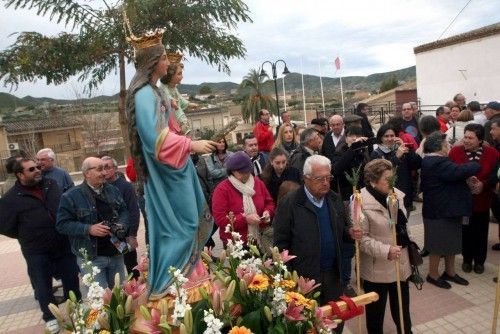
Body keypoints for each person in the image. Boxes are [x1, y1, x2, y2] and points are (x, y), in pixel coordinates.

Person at [124, 29, 216, 299]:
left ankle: (191, 273)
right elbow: (154, 139)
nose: (168, 63)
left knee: (190, 221)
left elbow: (169, 127)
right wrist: (191, 145)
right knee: (182, 224)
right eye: (164, 57)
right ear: (153, 61)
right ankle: (171, 282)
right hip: (167, 170)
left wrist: (184, 138)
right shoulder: (143, 94)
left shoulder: (155, 91)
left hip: (178, 167)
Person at [273, 155, 362, 323]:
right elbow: (280, 245)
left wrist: (350, 234)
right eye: (320, 178)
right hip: (304, 278)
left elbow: (341, 231)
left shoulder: (334, 199)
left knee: (335, 320)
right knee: (309, 323)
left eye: (329, 177)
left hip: (333, 275)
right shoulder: (290, 203)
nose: (326, 183)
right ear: (306, 178)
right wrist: (290, 279)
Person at [0, 158, 80, 334]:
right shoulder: (10, 199)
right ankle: (50, 318)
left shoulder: (51, 184)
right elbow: (5, 226)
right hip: (36, 251)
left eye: (37, 167)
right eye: (31, 169)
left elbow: (63, 208)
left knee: (71, 279)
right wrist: (28, 235)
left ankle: (77, 310)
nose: (37, 170)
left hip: (62, 244)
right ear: (20, 175)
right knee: (43, 286)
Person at [57, 157, 129, 290]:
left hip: (116, 253)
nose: (104, 173)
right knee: (99, 302)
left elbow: (124, 210)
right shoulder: (71, 196)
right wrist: (88, 229)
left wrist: (122, 224)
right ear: (87, 173)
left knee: (121, 298)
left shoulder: (113, 190)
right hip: (91, 258)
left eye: (105, 169)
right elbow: (62, 224)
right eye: (99, 169)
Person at [420, 132, 481, 289]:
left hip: (448, 209)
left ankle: (450, 272)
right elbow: (462, 170)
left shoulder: (437, 161)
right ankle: (433, 275)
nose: (449, 146)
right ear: (438, 147)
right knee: (436, 245)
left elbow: (453, 176)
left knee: (451, 243)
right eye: (446, 144)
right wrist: (476, 161)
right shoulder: (436, 162)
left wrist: (464, 178)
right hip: (438, 211)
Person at [359, 159, 412, 334]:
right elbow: (362, 239)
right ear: (373, 181)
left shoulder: (397, 195)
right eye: (387, 180)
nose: (392, 183)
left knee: (403, 314)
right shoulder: (360, 201)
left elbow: (403, 226)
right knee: (375, 317)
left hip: (400, 265)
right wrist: (385, 250)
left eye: (393, 178)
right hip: (377, 269)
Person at [449, 124, 499, 274]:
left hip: (482, 201)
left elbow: (495, 176)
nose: (466, 140)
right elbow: (450, 172)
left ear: (480, 140)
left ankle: (479, 261)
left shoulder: (493, 153)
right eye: (465, 137)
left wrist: (483, 185)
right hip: (463, 202)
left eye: (471, 138)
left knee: (481, 232)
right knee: (466, 232)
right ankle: (466, 259)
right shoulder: (455, 152)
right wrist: (464, 181)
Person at [211, 151, 275, 250]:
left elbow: (269, 202)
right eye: (241, 172)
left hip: (258, 239)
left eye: (247, 171)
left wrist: (267, 212)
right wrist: (245, 219)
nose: (245, 175)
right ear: (232, 171)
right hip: (235, 243)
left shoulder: (257, 183)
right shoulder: (222, 189)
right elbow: (220, 219)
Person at [102, 156, 140, 278]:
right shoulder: (99, 187)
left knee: (131, 265)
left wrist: (132, 235)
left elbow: (133, 211)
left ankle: (136, 290)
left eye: (107, 167)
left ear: (115, 169)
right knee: (114, 269)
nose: (104, 171)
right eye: (101, 168)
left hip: (125, 235)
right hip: (107, 236)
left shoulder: (125, 186)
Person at [371, 123, 422, 215]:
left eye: (392, 136)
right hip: (386, 196)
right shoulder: (376, 153)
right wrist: (396, 158)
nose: (390, 139)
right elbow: (379, 173)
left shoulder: (402, 150)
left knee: (403, 225)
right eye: (386, 136)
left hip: (404, 195)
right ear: (381, 138)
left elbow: (417, 164)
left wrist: (408, 150)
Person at [159, 61, 199, 135]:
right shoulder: (163, 87)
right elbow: (166, 96)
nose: (182, 76)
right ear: (170, 76)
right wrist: (171, 101)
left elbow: (180, 99)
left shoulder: (174, 88)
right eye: (179, 74)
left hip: (180, 118)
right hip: (171, 121)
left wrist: (189, 104)